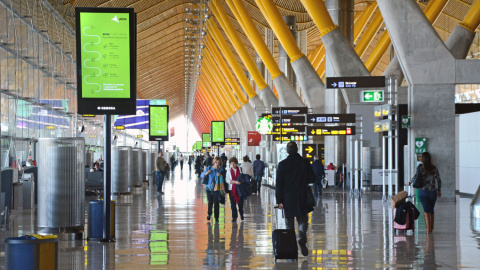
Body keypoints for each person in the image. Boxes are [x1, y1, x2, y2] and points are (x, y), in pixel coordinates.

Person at [275, 141, 315, 257]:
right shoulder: (305, 162)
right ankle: (301, 238)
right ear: (297, 150)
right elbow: (312, 178)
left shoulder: (282, 164)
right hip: (302, 197)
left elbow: (279, 184)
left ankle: (292, 247)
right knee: (303, 221)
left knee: (289, 224)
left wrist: (279, 201)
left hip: (288, 199)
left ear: (287, 151)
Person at [407, 152, 441, 233]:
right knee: (431, 209)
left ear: (423, 159)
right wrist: (439, 190)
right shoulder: (434, 168)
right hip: (433, 192)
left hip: (423, 192)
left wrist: (409, 182)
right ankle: (431, 228)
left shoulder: (420, 167)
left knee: (426, 209)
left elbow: (415, 177)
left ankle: (428, 229)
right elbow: (438, 180)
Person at [201, 157, 224, 222]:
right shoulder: (209, 168)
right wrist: (207, 173)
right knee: (210, 202)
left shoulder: (220, 170)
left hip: (217, 188)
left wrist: (221, 175)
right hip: (209, 188)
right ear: (214, 162)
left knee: (216, 203)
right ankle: (209, 213)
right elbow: (201, 175)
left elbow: (223, 177)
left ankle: (216, 217)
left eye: (218, 163)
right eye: (216, 162)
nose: (217, 164)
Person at [226, 157, 244, 222]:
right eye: (231, 164)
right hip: (231, 189)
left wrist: (240, 182)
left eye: (234, 164)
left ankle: (241, 213)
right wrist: (235, 182)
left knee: (240, 203)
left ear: (236, 163)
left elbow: (242, 178)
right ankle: (234, 217)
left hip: (239, 189)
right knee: (233, 204)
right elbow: (227, 180)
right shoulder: (228, 170)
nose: (233, 165)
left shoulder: (240, 169)